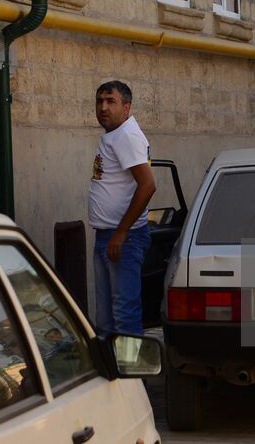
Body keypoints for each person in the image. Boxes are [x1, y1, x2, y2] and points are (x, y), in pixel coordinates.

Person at [87, 80, 156, 336]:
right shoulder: (115, 134)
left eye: (110, 101)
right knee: (106, 320)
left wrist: (122, 232)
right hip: (108, 236)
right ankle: (112, 373)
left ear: (126, 108)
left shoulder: (127, 135)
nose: (103, 107)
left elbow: (147, 185)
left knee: (124, 317)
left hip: (122, 239)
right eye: (99, 101)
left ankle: (135, 376)